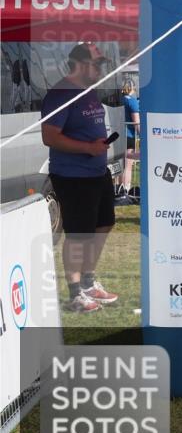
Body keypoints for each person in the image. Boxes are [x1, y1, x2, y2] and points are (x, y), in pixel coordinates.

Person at [40, 43, 120, 313]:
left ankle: (88, 281)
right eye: (97, 64)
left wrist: (96, 147)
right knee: (78, 234)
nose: (101, 70)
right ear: (80, 64)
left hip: (97, 171)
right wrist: (88, 148)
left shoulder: (88, 91)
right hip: (72, 175)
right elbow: (49, 136)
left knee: (104, 225)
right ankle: (75, 293)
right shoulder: (61, 94)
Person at [117, 79, 140, 201]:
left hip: (118, 135)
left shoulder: (119, 100)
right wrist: (143, 136)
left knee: (121, 165)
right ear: (132, 88)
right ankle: (125, 192)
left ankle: (120, 190)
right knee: (128, 166)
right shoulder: (132, 101)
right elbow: (136, 123)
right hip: (129, 135)